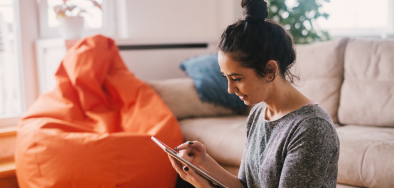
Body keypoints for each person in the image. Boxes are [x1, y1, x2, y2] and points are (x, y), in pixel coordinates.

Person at [168, 0, 340, 187]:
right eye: (226, 77)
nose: (230, 89)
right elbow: (245, 185)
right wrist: (204, 162)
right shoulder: (258, 114)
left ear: (270, 70)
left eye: (237, 78)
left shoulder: (311, 128)